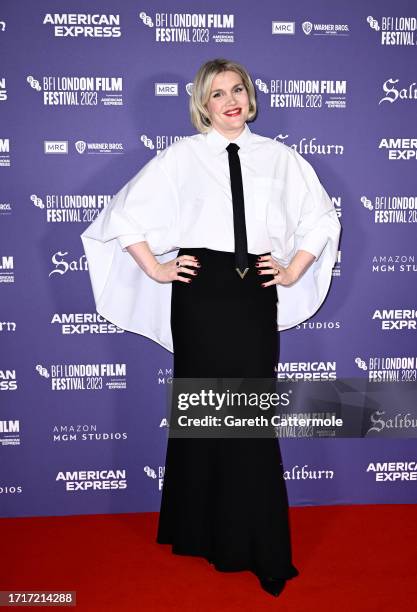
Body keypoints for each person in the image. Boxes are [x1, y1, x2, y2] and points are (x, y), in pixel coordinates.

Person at [81, 58, 341, 597]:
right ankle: (199, 531)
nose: (230, 100)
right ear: (202, 103)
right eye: (218, 92)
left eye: (238, 89)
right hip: (201, 293)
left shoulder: (281, 158)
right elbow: (122, 214)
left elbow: (321, 219)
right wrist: (155, 266)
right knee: (203, 411)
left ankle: (263, 548)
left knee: (248, 418)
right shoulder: (181, 157)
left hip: (252, 293)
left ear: (250, 96)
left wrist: (294, 267)